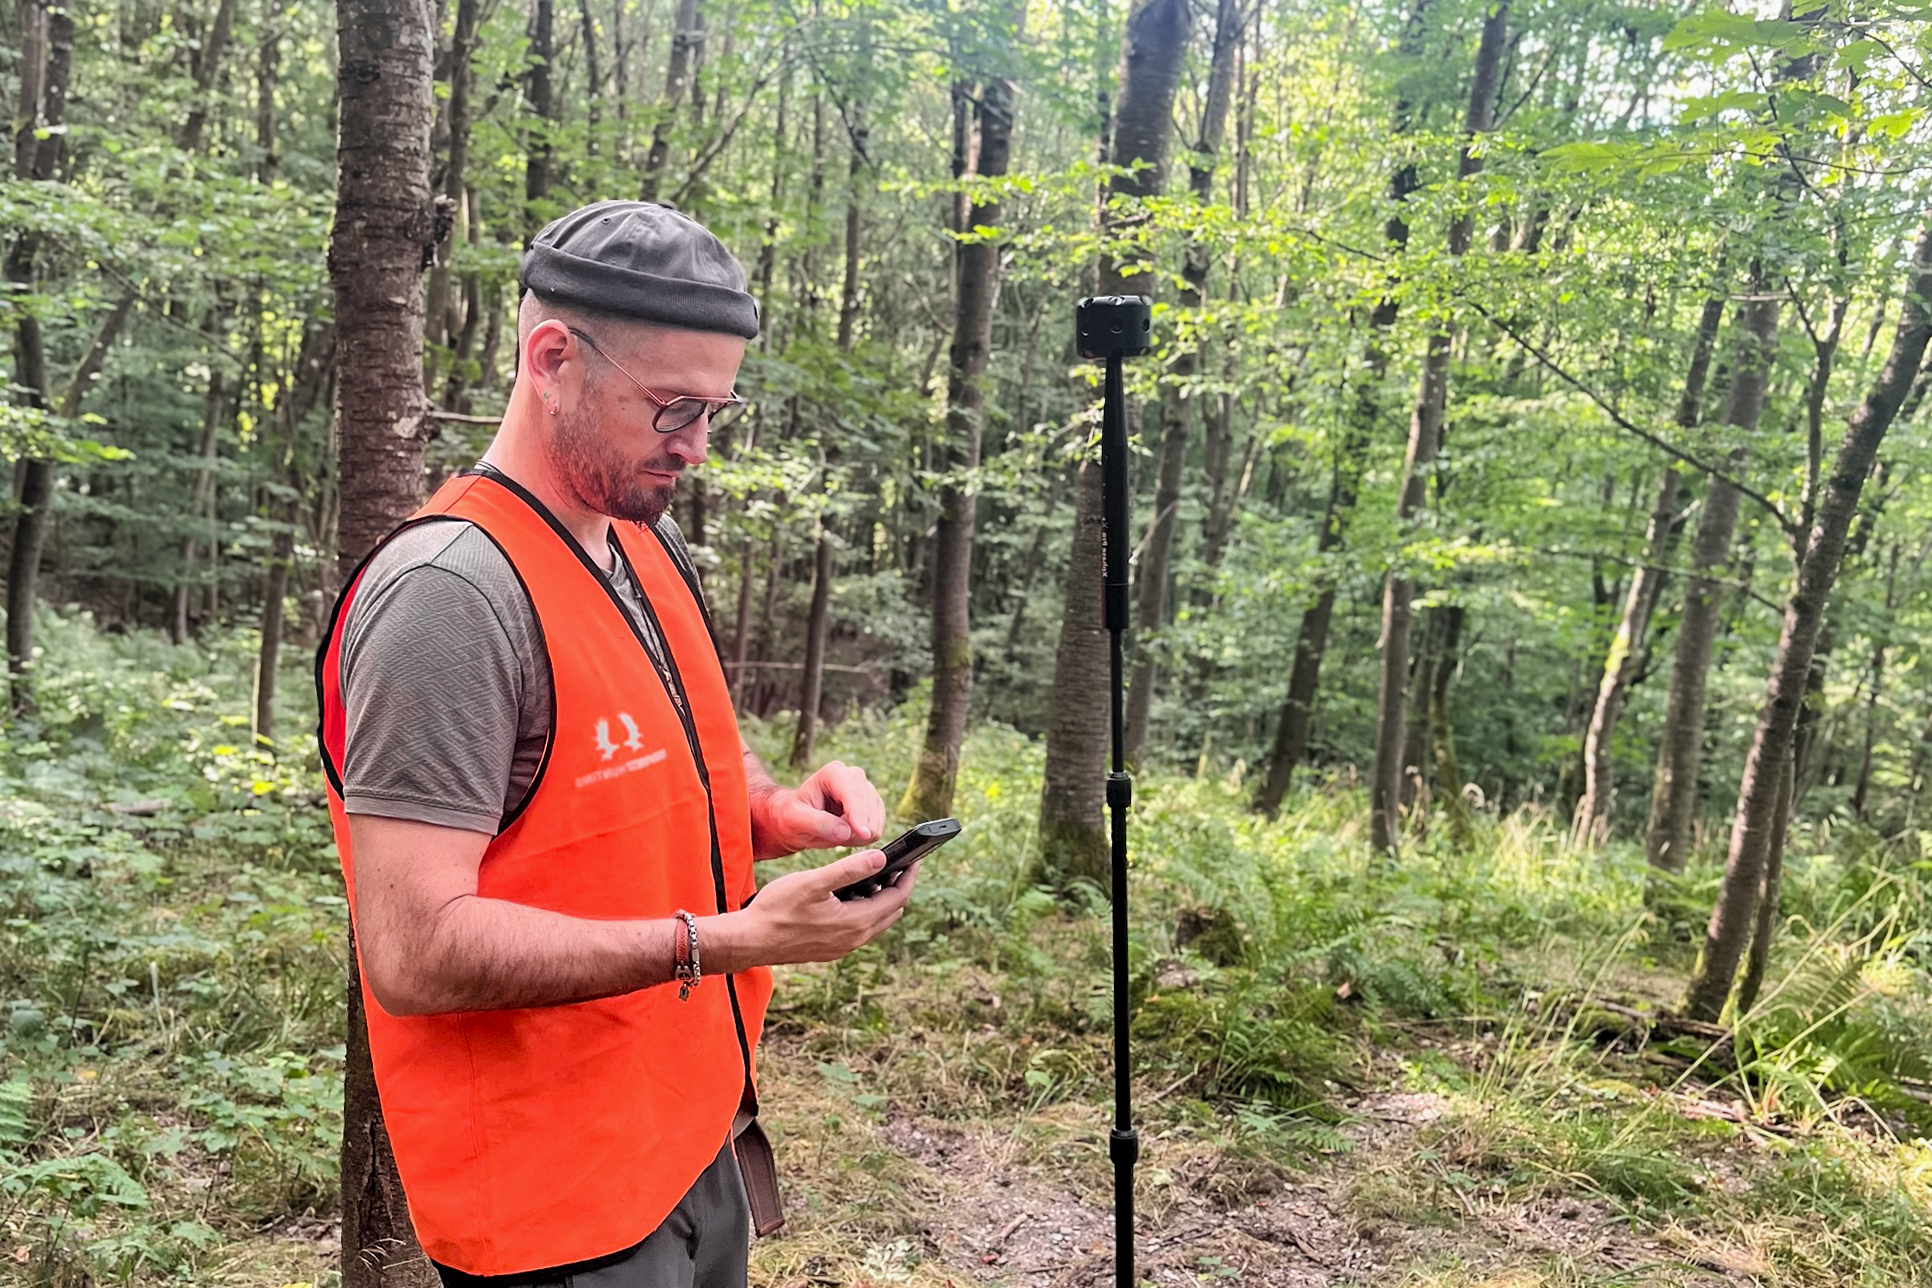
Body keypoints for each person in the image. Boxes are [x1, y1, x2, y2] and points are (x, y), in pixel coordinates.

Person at [316, 200, 917, 1288]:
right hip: (555, 1215)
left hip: (688, 1138)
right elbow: (414, 951)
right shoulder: (449, 598)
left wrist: (776, 815)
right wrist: (726, 942)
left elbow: (642, 788)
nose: (695, 446)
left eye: (716, 411)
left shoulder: (642, 537)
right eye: (672, 408)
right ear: (552, 358)